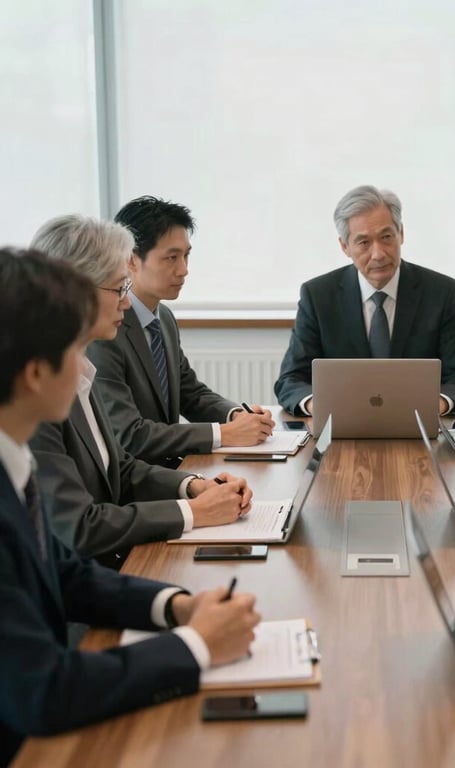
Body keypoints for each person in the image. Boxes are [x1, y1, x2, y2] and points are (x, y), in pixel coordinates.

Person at [0, 248, 260, 767]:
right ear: (34, 373)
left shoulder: (14, 457)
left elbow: (66, 572)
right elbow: (45, 692)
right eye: (75, 349)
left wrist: (176, 606)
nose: (86, 365)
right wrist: (196, 645)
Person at [29, 216, 253, 568]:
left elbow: (119, 468)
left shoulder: (79, 373)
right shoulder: (33, 399)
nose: (126, 302)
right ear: (73, 292)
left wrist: (193, 485)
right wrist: (192, 512)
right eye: (119, 288)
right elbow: (79, 528)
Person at [86, 196, 275, 467]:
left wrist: (234, 416)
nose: (184, 270)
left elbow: (191, 394)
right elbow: (129, 435)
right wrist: (224, 434)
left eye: (186, 256)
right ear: (131, 260)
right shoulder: (105, 331)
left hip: (171, 468)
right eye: (171, 258)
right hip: (135, 480)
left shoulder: (163, 317)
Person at [274, 185, 455, 416]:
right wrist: (319, 407)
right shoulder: (318, 295)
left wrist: (437, 405)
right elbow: (290, 380)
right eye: (364, 242)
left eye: (386, 237)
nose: (378, 254)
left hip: (418, 427)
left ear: (401, 233)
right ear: (345, 246)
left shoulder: (440, 292)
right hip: (342, 428)